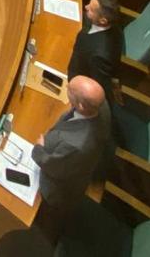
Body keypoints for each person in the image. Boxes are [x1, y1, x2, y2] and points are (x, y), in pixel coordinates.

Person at [30, 76, 112, 241]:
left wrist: (38, 148)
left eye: (70, 91)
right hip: (76, 164)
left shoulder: (77, 145)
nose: (66, 87)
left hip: (58, 192)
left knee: (45, 225)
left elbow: (53, 167)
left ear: (81, 105)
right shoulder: (101, 106)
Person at [67, 0, 122, 99]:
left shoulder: (100, 57)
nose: (85, 7)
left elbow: (97, 87)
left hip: (75, 81)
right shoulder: (113, 28)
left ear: (103, 20)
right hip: (77, 56)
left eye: (91, 9)